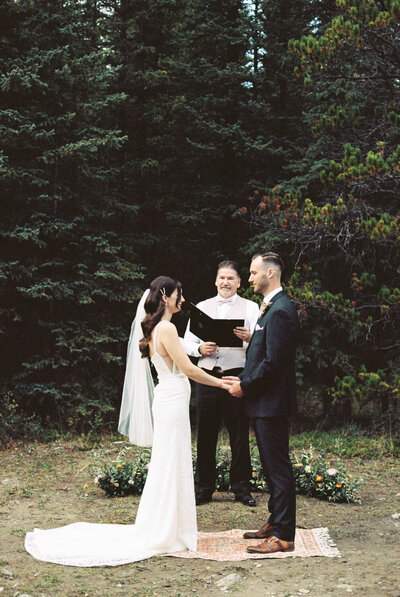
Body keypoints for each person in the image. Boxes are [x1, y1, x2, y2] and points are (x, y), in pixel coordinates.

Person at [25, 276, 231, 566]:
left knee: (168, 460)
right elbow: (188, 369)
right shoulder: (167, 328)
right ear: (165, 297)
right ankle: (168, 530)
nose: (182, 299)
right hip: (172, 399)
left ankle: (167, 527)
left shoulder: (157, 329)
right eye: (178, 294)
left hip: (167, 397)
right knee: (172, 460)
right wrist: (222, 384)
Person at [224, 252, 299, 554]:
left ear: (270, 273)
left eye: (254, 273)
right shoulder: (269, 309)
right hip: (264, 402)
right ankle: (275, 519)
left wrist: (245, 385)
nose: (250, 278)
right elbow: (260, 354)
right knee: (270, 466)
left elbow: (273, 363)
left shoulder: (280, 311)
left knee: (278, 467)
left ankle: (283, 535)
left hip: (272, 403)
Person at [184, 260, 259, 506]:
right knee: (205, 432)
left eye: (231, 278)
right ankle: (203, 488)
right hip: (207, 375)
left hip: (236, 375)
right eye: (222, 278)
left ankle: (241, 488)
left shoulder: (251, 307)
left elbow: (262, 343)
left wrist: (250, 337)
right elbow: (186, 342)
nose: (226, 282)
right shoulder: (202, 307)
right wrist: (199, 348)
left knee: (239, 432)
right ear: (216, 281)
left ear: (239, 282)